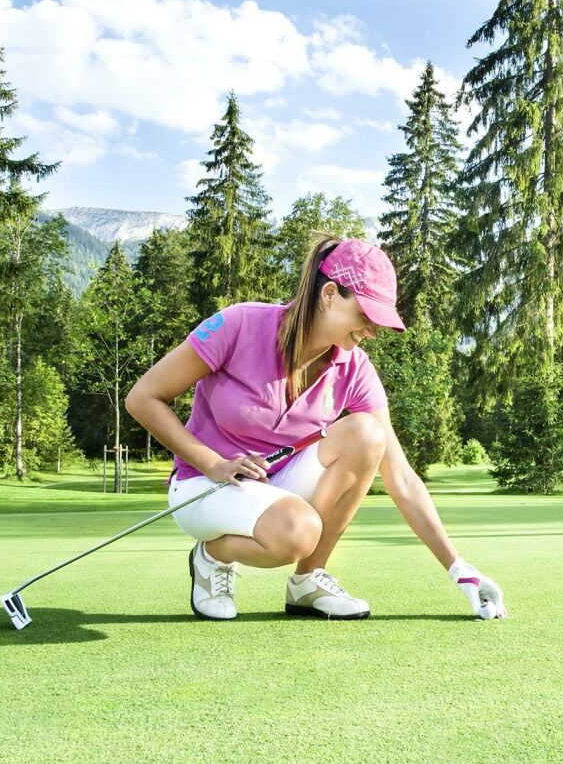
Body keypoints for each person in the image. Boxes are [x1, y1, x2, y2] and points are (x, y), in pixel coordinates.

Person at [125, 235, 507, 620]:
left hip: (276, 485)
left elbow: (401, 478)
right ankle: (211, 556)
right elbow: (143, 398)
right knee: (298, 531)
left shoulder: (355, 369)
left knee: (366, 434)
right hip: (205, 485)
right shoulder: (240, 323)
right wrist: (212, 462)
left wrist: (460, 569)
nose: (372, 330)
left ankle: (307, 581)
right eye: (365, 315)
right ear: (329, 293)